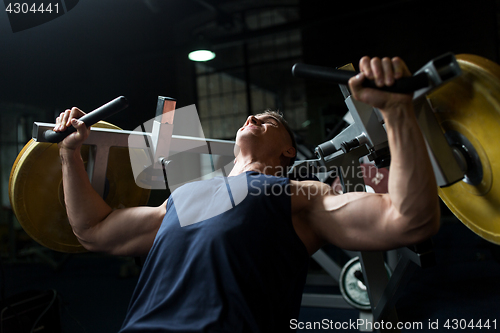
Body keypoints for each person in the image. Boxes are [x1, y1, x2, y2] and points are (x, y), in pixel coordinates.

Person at [54, 56, 440, 332]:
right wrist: (69, 153)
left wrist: (397, 113)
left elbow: (409, 220)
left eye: (269, 121)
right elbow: (93, 230)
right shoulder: (183, 197)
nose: (253, 117)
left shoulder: (299, 194)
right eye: (251, 117)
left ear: (289, 151)